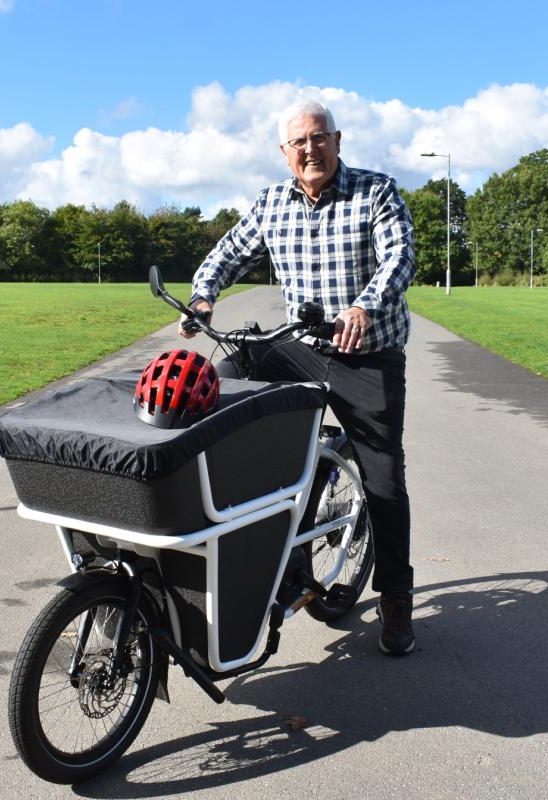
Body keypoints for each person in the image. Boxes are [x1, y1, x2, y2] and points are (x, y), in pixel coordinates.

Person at [179, 100, 416, 656]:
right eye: (298, 143)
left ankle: (397, 601)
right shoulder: (271, 201)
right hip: (299, 347)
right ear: (285, 153)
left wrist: (363, 307)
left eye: (319, 138)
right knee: (220, 379)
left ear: (337, 139)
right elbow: (228, 252)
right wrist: (203, 296)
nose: (310, 150)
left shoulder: (375, 191)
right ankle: (229, 521)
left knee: (384, 483)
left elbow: (400, 257)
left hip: (366, 353)